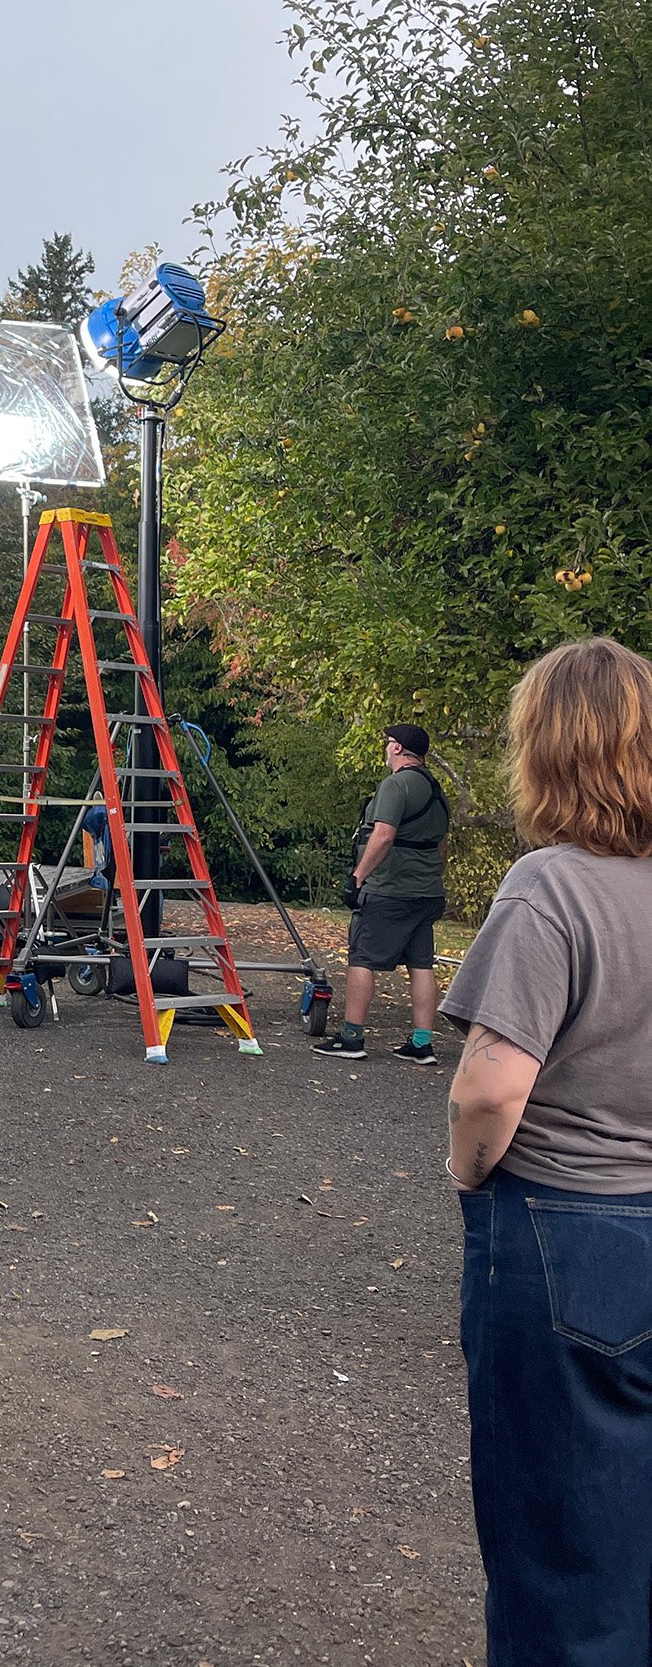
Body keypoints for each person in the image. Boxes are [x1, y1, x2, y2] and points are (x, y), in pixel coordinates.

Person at [442, 636, 652, 1667]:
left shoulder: (550, 888)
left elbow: (490, 1088)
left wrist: (465, 1171)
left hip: (569, 1228)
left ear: (546, 750)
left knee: (562, 1546)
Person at [313, 721, 451, 1062]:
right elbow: (441, 846)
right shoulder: (437, 791)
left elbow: (384, 835)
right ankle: (422, 1043)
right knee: (421, 964)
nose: (386, 748)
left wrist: (357, 877)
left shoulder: (395, 785)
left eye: (388, 742)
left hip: (390, 890)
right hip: (427, 893)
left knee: (362, 958)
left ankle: (352, 1038)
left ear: (398, 748)